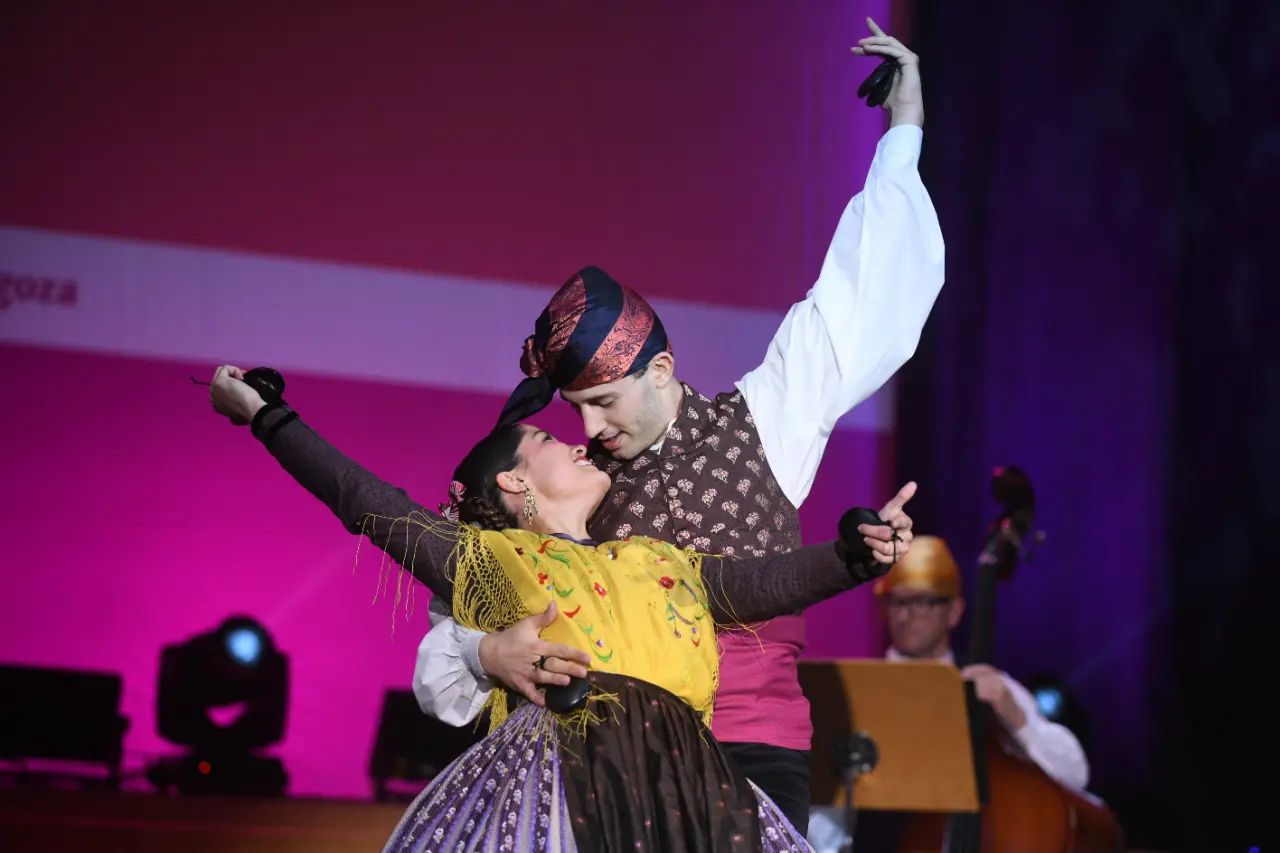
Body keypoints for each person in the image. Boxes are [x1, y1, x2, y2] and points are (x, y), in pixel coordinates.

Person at [412, 18, 942, 834]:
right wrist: (488, 652)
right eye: (575, 408)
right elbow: (461, 602)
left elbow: (858, 294)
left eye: (605, 400)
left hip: (758, 747)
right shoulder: (573, 489)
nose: (590, 427)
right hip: (624, 755)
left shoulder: (765, 418)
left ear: (660, 368)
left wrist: (903, 129)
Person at [207, 364, 917, 851]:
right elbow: (366, 502)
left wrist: (855, 554)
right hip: (572, 783)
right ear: (515, 482)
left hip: (690, 784)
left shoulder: (657, 561)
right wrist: (266, 416)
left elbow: (763, 582)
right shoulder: (494, 563)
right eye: (548, 439)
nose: (578, 440)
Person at [875, 535, 1089, 789]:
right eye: (896, 601)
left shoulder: (989, 685)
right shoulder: (864, 689)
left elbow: (1075, 774)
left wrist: (1015, 716)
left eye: (922, 601)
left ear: (954, 611)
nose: (904, 615)